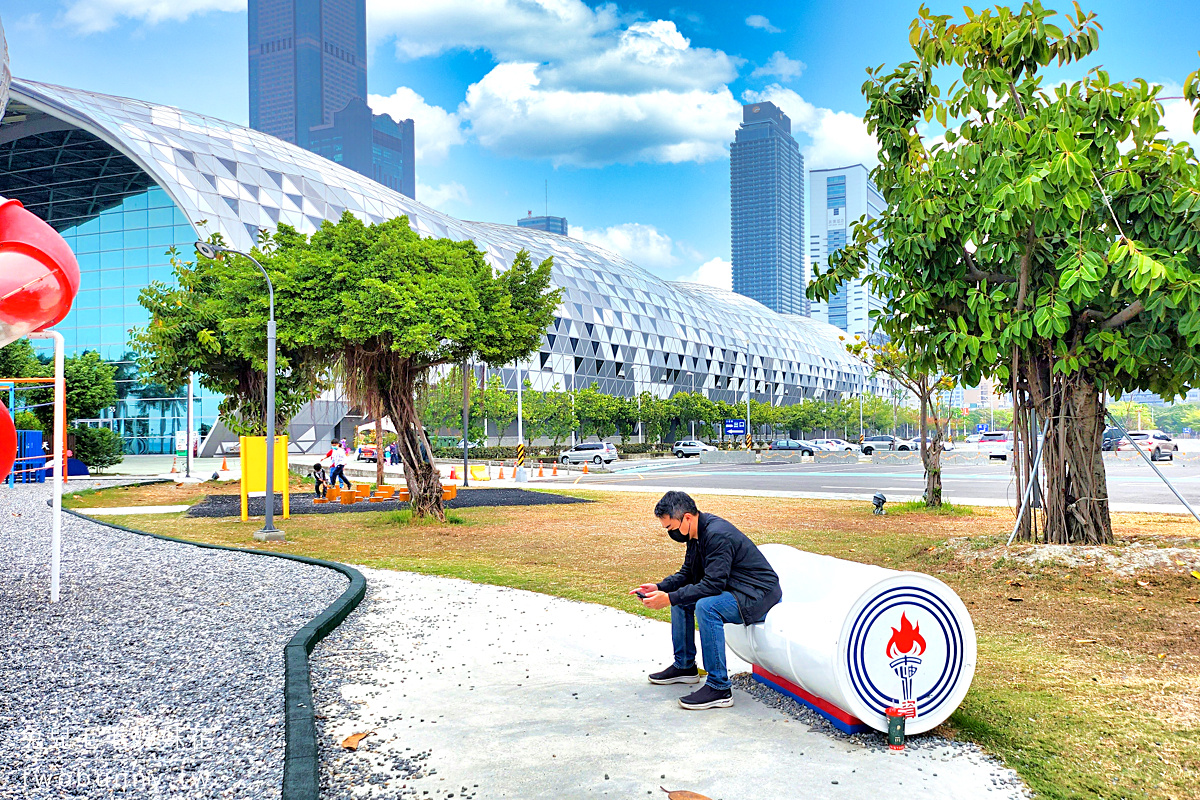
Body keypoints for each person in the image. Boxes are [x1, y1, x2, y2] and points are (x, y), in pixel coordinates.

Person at [631, 490, 782, 710]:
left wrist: (669, 598)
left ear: (687, 517)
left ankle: (719, 687)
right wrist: (660, 587)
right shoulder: (695, 534)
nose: (670, 534)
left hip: (758, 595)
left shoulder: (716, 534)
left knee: (706, 607)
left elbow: (713, 585)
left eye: (670, 528)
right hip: (737, 589)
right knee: (683, 599)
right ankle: (685, 667)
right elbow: (688, 574)